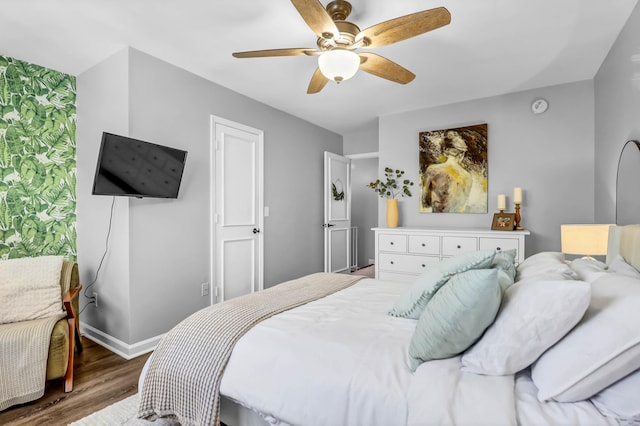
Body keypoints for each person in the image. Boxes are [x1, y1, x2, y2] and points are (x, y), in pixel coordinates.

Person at [423, 131, 473, 213]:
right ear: (462, 154)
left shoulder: (432, 170)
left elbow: (426, 202)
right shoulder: (468, 177)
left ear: (445, 150)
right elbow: (461, 206)